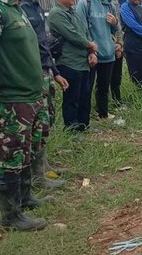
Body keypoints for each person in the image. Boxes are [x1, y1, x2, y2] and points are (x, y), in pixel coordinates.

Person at [0, 0, 48, 231]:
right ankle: (11, 214)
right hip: (10, 98)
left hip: (30, 95)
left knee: (26, 149)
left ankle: (25, 198)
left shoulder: (18, 10)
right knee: (11, 153)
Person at [21, 0, 69, 190]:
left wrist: (55, 72)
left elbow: (44, 46)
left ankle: (43, 167)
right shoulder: (21, 9)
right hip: (33, 73)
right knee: (36, 123)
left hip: (46, 70)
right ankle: (37, 176)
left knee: (46, 119)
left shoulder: (36, 7)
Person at [49, 0, 98, 132]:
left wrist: (91, 52)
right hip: (69, 61)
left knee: (85, 95)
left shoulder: (73, 13)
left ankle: (84, 124)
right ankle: (72, 128)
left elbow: (85, 31)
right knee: (72, 98)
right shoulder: (56, 14)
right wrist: (89, 45)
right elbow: (72, 35)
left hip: (83, 62)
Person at [76, 0, 120, 119]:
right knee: (86, 89)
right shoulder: (85, 3)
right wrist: (91, 50)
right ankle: (84, 118)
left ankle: (103, 114)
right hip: (91, 55)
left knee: (104, 87)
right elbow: (81, 28)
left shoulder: (110, 5)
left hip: (108, 53)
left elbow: (117, 29)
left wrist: (115, 23)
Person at [110, 0, 124, 107]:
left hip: (117, 46)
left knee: (117, 77)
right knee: (104, 81)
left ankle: (117, 100)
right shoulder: (93, 6)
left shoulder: (113, 6)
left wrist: (119, 44)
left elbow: (118, 28)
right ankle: (102, 106)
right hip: (106, 49)